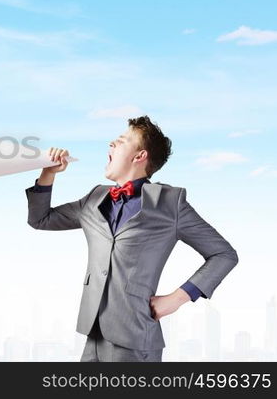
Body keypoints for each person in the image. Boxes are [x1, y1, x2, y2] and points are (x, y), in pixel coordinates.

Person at [25, 116, 238, 362]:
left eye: (121, 141)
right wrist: (48, 174)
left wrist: (177, 298)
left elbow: (224, 254)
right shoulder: (94, 199)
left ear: (139, 156)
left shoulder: (170, 203)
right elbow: (40, 219)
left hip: (136, 338)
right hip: (93, 334)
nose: (111, 144)